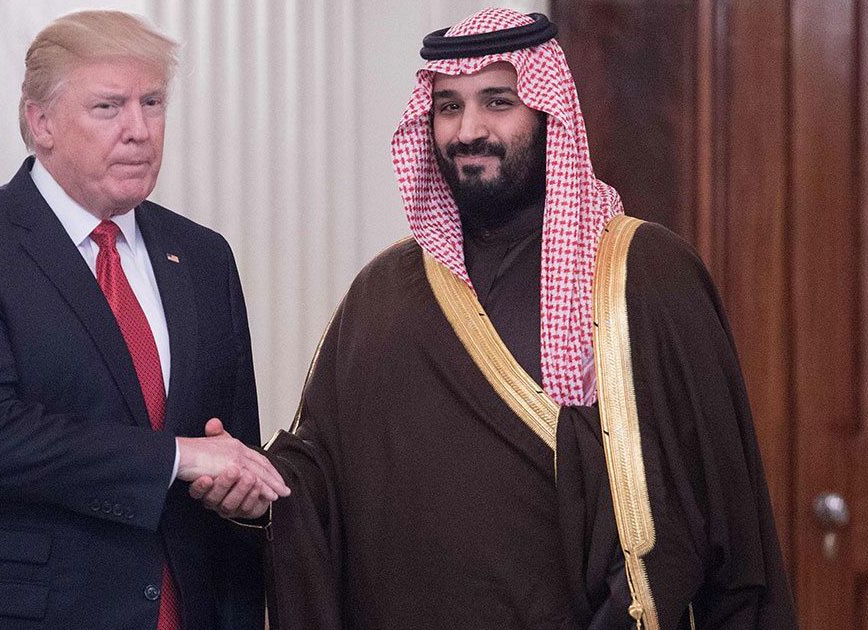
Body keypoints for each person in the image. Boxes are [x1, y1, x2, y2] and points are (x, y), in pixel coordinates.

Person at [193, 8, 797, 629]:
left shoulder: (645, 276)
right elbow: (320, 479)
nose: (467, 130)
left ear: (545, 112)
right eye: (449, 106)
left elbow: (698, 506)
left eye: (497, 102)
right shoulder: (386, 294)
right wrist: (254, 488)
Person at [0, 10, 286, 630]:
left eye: (152, 103)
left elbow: (230, 440)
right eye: (109, 108)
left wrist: (239, 496)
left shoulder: (202, 256)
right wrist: (178, 457)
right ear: (41, 122)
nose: (140, 130)